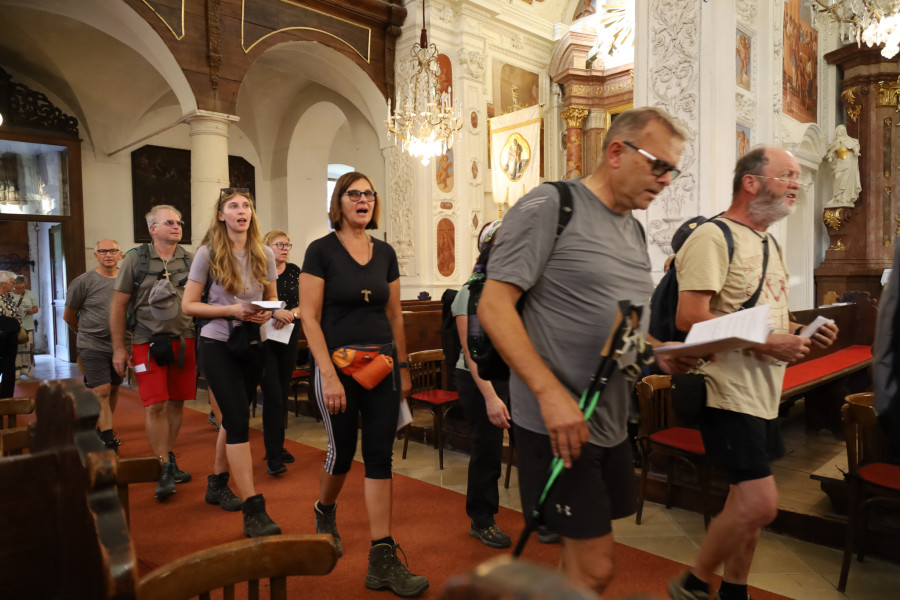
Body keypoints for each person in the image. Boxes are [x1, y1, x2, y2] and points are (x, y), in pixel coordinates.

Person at [477, 107, 701, 595]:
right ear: (616, 152)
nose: (666, 180)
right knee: (595, 568)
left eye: (673, 170)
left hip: (608, 420)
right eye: (659, 165)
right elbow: (494, 306)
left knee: (577, 564)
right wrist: (549, 394)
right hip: (556, 422)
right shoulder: (550, 206)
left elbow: (624, 331)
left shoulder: (632, 229)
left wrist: (660, 352)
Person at [667, 147, 839, 600]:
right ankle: (693, 581)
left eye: (797, 176)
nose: (796, 184)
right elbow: (690, 317)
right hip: (724, 389)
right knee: (761, 504)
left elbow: (767, 316)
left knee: (743, 501)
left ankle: (734, 591)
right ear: (751, 182)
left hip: (762, 391)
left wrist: (800, 331)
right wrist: (768, 343)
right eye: (787, 175)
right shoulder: (713, 236)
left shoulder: (767, 242)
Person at [299, 171, 429, 597]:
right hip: (336, 366)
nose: (363, 200)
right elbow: (309, 318)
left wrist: (404, 367)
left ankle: (382, 557)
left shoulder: (385, 252)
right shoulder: (321, 251)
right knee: (341, 453)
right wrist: (328, 375)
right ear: (339, 202)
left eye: (369, 194)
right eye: (354, 194)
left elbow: (394, 315)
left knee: (379, 456)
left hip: (382, 367)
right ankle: (325, 508)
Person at [182, 187, 282, 538]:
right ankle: (253, 507)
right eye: (234, 206)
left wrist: (269, 313)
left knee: (236, 414)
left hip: (252, 342)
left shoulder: (264, 253)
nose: (242, 211)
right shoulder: (207, 254)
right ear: (221, 215)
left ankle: (217, 482)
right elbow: (189, 305)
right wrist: (232, 310)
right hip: (217, 343)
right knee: (237, 419)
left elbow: (272, 298)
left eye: (246, 206)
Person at [111, 204, 195, 501]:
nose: (177, 226)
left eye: (179, 222)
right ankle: (162, 465)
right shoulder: (135, 260)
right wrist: (119, 348)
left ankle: (168, 458)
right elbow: (118, 305)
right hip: (145, 342)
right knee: (155, 404)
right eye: (169, 222)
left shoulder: (191, 259)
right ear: (153, 228)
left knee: (176, 402)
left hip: (184, 341)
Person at [451, 220, 512, 549]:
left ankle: (545, 514)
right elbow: (472, 353)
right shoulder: (471, 292)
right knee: (487, 449)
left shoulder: (512, 289)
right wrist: (490, 397)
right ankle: (482, 519)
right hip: (479, 379)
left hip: (511, 374)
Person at [64, 239, 125, 451]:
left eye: (113, 251)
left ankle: (103, 428)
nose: (108, 255)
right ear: (96, 255)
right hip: (92, 343)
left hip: (119, 345)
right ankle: (108, 439)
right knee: (102, 389)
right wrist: (83, 333)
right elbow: (69, 315)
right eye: (103, 251)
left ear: (120, 254)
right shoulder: (83, 282)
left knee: (114, 388)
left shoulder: (127, 280)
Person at [258, 229, 301, 475]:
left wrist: (291, 314)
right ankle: (273, 455)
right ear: (266, 247)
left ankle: (277, 445)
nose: (285, 249)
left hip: (289, 337)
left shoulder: (295, 271)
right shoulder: (259, 270)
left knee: (282, 393)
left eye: (287, 245)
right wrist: (275, 312)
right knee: (273, 394)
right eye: (279, 244)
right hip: (265, 339)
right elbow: (253, 300)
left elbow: (305, 303)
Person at [825, 124, 862, 209]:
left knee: (846, 180)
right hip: (839, 163)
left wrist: (856, 152)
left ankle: (844, 198)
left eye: (843, 130)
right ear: (836, 131)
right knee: (837, 177)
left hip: (848, 162)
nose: (841, 131)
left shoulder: (849, 140)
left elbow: (855, 146)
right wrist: (830, 156)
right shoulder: (834, 142)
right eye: (840, 130)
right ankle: (836, 197)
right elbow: (831, 152)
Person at [0, 271, 22, 399]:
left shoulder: (9, 296)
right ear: (3, 283)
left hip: (11, 340)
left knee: (9, 371)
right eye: (11, 282)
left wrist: (13, 323)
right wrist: (13, 323)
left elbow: (17, 316)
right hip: (1, 339)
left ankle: (7, 399)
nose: (14, 284)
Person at [11, 275, 37, 379]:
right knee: (16, 349)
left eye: (23, 287)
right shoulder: (9, 295)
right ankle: (16, 370)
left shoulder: (29, 293)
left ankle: (26, 369)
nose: (21, 289)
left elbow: (36, 308)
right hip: (14, 327)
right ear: (14, 285)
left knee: (27, 348)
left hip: (27, 326)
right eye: (19, 287)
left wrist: (30, 311)